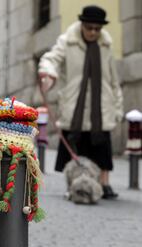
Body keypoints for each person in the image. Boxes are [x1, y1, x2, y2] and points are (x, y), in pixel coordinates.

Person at [38, 5, 123, 199]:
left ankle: (104, 183)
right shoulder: (67, 41)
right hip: (74, 105)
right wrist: (48, 73)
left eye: (97, 28)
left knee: (102, 146)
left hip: (101, 105)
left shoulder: (106, 46)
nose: (93, 32)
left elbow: (113, 79)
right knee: (74, 145)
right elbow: (50, 59)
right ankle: (74, 184)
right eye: (90, 27)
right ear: (82, 25)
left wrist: (118, 106)